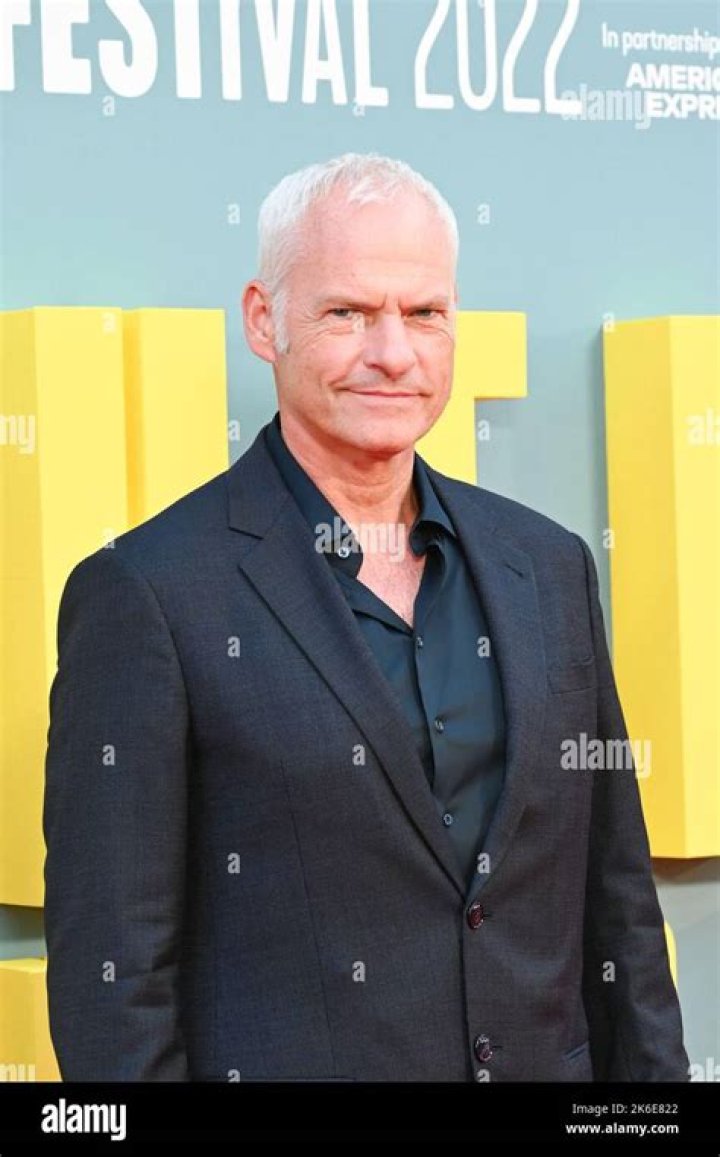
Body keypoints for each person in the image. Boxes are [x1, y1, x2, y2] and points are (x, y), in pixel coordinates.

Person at [43, 152, 689, 1082]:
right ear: (264, 321)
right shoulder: (150, 594)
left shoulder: (547, 567)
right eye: (347, 312)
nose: (393, 352)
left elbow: (618, 905)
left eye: (423, 313)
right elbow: (115, 985)